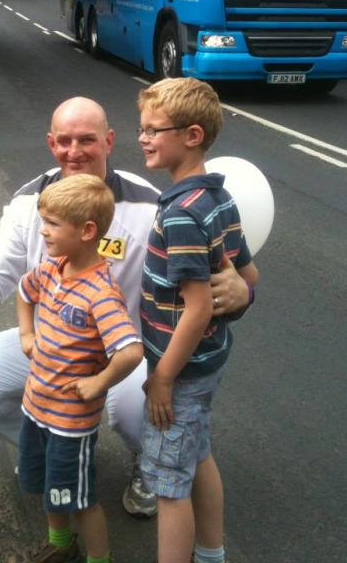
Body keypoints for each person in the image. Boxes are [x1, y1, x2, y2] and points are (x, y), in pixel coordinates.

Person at [0, 97, 253, 520]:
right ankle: (47, 444)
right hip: (55, 344)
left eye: (87, 140)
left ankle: (144, 463)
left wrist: (243, 294)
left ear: (109, 141)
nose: (73, 151)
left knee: (140, 414)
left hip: (126, 353)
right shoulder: (29, 205)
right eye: (63, 141)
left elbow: (214, 281)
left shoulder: (151, 205)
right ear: (50, 143)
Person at [136, 78, 259, 563]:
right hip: (207, 363)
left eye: (153, 130)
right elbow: (247, 273)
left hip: (180, 372)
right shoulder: (218, 198)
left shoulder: (182, 213)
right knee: (197, 456)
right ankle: (211, 554)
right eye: (141, 128)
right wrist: (243, 291)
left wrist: (162, 378)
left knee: (169, 486)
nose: (143, 138)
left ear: (191, 135)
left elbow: (199, 306)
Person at [10, 174, 144, 563]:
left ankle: (98, 559)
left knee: (80, 498)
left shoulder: (101, 294)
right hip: (36, 408)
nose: (44, 231)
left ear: (87, 231)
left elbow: (131, 351)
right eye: (43, 221)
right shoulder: (53, 268)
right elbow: (23, 290)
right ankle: (60, 543)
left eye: (52, 223)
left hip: (70, 421)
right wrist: (26, 333)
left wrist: (98, 383)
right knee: (51, 486)